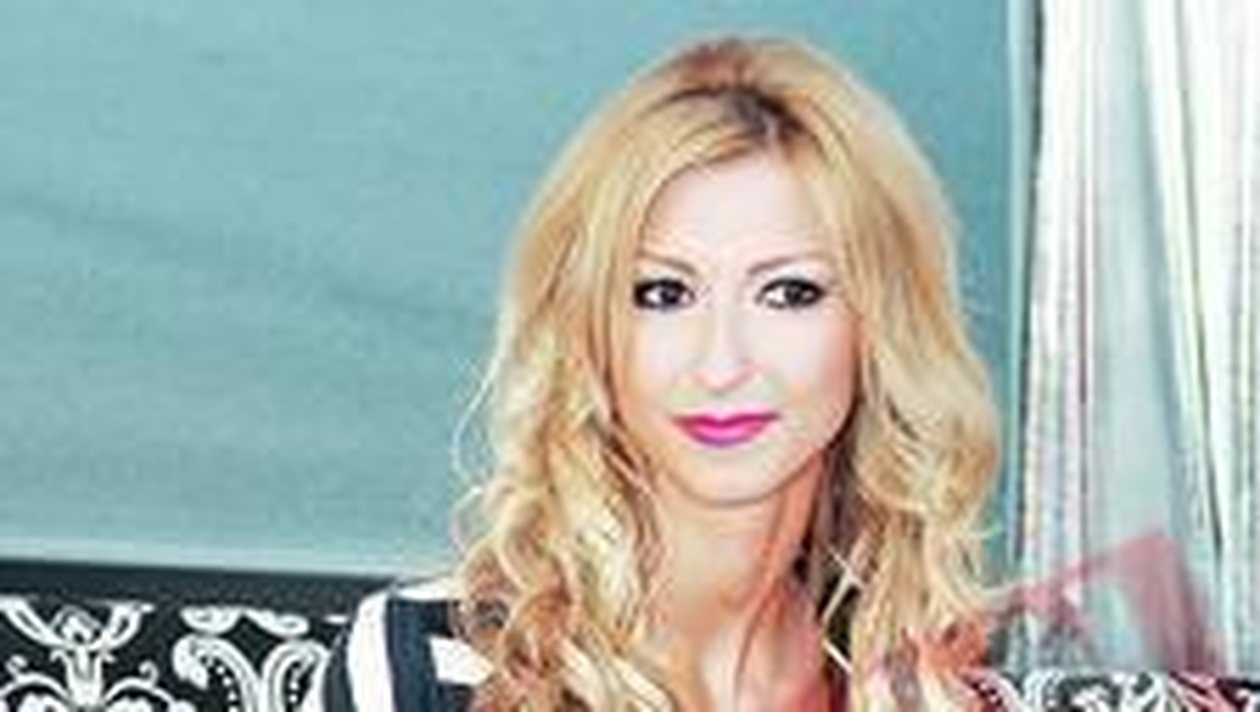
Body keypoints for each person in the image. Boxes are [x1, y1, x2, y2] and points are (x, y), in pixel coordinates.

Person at [315, 35, 999, 711]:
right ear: (589, 328)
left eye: (789, 292)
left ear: (878, 329)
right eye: (663, 294)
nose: (722, 365)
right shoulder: (421, 667)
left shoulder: (941, 696)